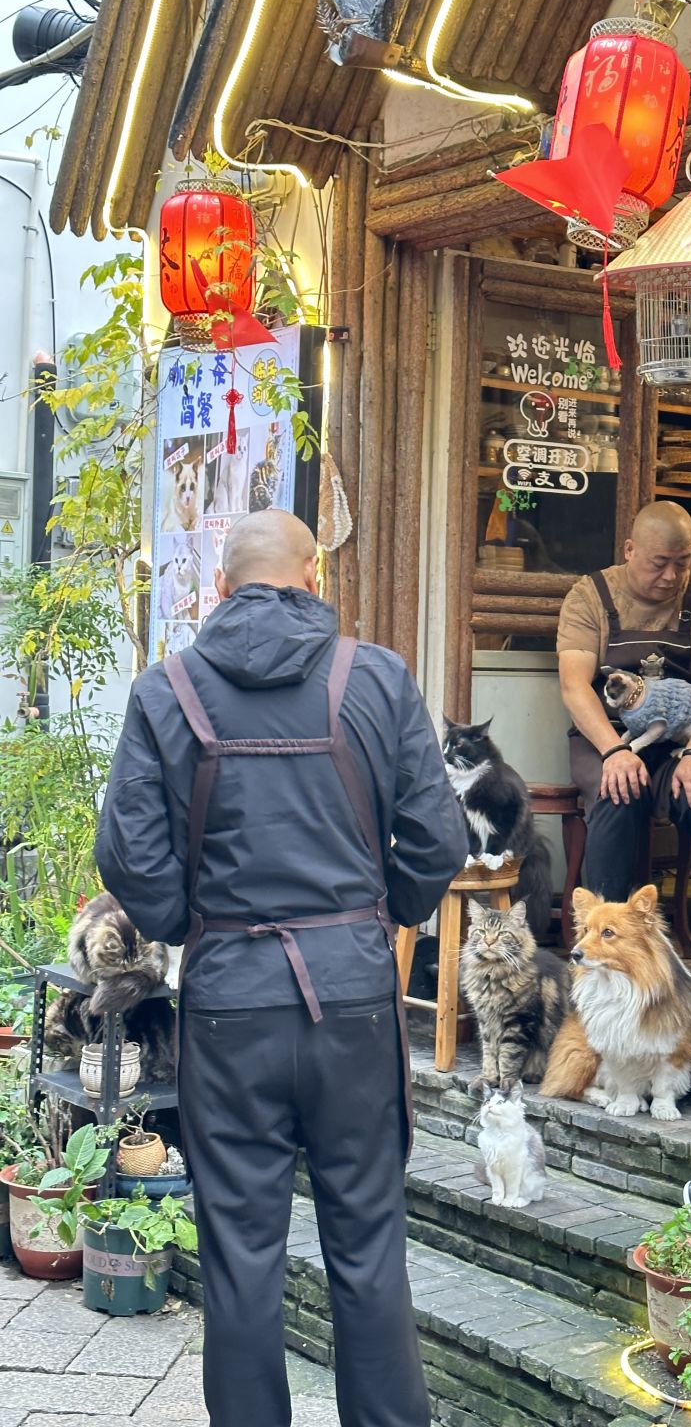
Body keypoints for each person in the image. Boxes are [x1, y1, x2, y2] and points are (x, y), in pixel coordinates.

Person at [95, 510, 468, 1427]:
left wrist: (197, 926)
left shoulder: (165, 690)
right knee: (370, 1250)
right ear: (314, 576)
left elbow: (131, 861)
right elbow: (436, 842)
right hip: (350, 998)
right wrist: (375, 919)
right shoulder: (374, 679)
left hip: (229, 1001)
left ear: (221, 588)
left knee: (241, 1260)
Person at [557, 501, 691, 982]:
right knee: (617, 796)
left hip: (681, 739)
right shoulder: (590, 595)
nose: (671, 576)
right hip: (607, 736)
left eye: (682, 562)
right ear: (629, 550)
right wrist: (615, 752)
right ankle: (599, 957)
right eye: (659, 562)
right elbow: (575, 685)